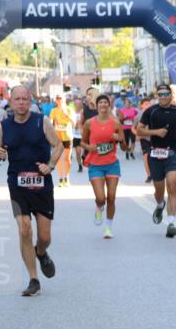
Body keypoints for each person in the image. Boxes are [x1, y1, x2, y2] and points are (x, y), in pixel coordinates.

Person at [0, 86, 64, 297]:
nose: (21, 103)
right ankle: (33, 279)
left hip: (42, 184)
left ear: (29, 100)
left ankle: (41, 252)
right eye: (17, 99)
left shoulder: (42, 121)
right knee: (24, 230)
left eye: (24, 99)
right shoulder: (3, 126)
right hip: (17, 184)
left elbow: (58, 145)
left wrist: (50, 165)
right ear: (11, 102)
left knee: (44, 236)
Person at [137, 85, 176, 238]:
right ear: (157, 95)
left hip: (172, 154)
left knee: (172, 187)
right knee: (159, 190)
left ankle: (171, 223)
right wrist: (155, 132)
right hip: (155, 155)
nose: (163, 96)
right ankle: (160, 204)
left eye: (166, 94)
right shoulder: (151, 111)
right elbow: (139, 130)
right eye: (160, 94)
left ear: (171, 95)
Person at [81, 94, 125, 239]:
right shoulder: (89, 123)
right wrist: (89, 148)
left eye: (106, 102)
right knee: (101, 198)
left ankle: (108, 227)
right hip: (95, 164)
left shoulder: (116, 123)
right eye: (101, 103)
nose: (103, 105)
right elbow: (82, 142)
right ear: (97, 105)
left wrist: (119, 139)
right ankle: (99, 207)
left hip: (112, 164)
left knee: (111, 197)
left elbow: (125, 147)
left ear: (109, 105)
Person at [48, 94, 74, 187]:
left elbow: (74, 122)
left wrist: (67, 115)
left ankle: (67, 177)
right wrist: (51, 125)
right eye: (57, 99)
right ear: (56, 100)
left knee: (67, 159)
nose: (59, 100)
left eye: (60, 99)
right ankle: (60, 178)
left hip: (67, 137)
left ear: (64, 100)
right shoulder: (53, 110)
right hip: (57, 138)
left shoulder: (69, 109)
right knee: (58, 158)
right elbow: (50, 122)